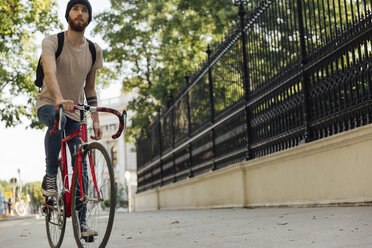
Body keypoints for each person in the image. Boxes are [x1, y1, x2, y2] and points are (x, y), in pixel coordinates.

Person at [36, 0, 103, 237]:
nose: (80, 13)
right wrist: (58, 99)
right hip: (49, 105)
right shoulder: (53, 41)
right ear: (68, 15)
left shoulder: (94, 50)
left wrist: (95, 118)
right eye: (75, 8)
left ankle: (82, 223)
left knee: (81, 163)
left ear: (88, 18)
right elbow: (50, 72)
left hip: (76, 112)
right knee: (58, 119)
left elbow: (91, 89)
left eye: (85, 10)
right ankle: (51, 176)